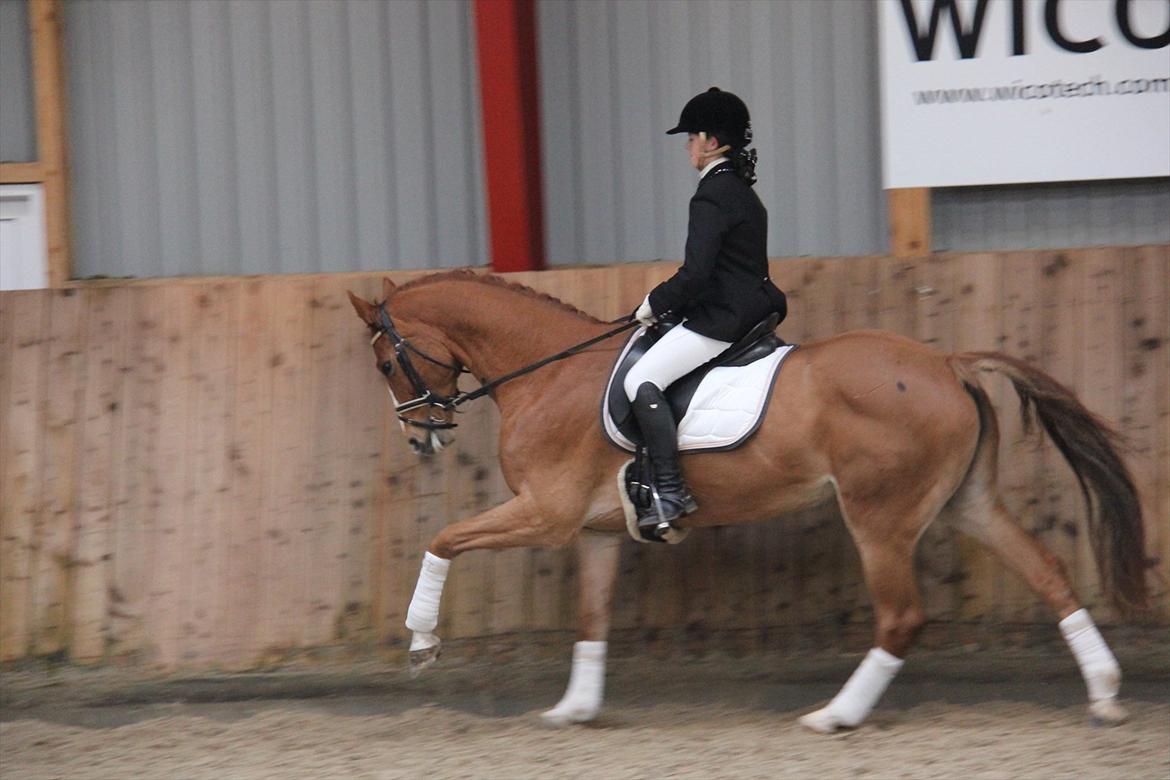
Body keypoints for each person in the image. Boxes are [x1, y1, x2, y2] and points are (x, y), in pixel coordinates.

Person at [624, 86, 787, 533]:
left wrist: (653, 304)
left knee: (641, 379)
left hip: (724, 318)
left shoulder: (711, 195)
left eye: (691, 137)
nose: (686, 146)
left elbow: (696, 274)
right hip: (753, 308)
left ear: (711, 142)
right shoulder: (741, 191)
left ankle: (671, 491)